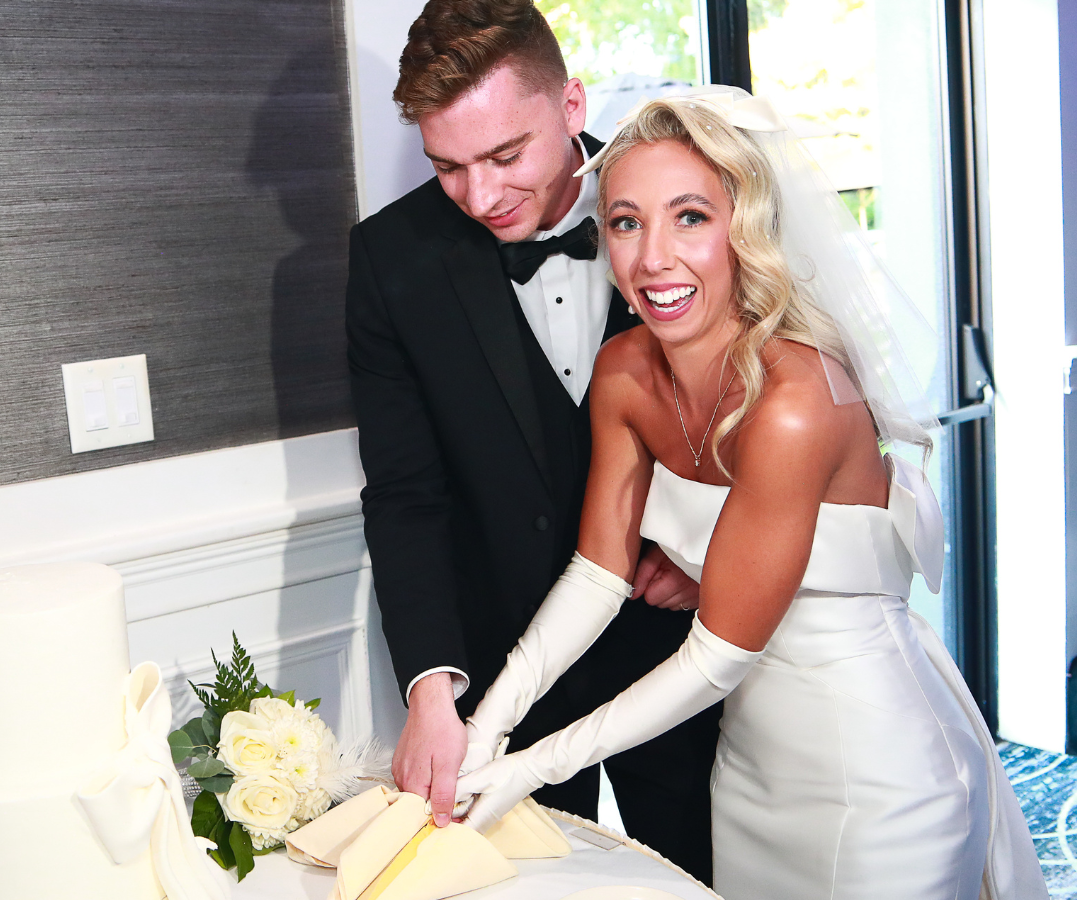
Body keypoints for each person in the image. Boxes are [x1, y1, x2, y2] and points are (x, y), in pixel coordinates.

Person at [455, 88, 1050, 900]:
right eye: (627, 221)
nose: (653, 256)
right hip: (748, 769)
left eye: (690, 217)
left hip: (877, 775)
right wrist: (482, 727)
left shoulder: (798, 398)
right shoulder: (624, 372)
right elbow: (599, 576)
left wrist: (529, 765)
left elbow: (715, 657)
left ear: (746, 227)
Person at [345, 0, 719, 881]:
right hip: (502, 667)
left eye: (505, 155)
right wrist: (433, 688)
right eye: (449, 166)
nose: (481, 195)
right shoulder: (389, 260)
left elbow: (771, 408)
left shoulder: (686, 211)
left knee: (704, 875)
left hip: (683, 648)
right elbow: (404, 491)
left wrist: (711, 550)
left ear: (571, 107)